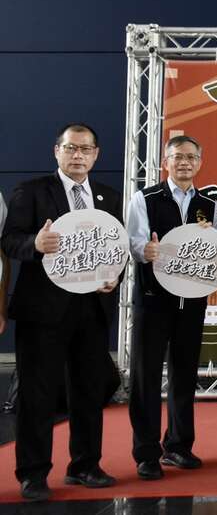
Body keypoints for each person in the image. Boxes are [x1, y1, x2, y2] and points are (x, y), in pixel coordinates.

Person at [1, 124, 121, 501]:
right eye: (71, 148)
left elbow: (114, 250)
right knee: (36, 394)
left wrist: (113, 277)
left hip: (92, 308)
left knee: (88, 391)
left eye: (85, 149)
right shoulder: (32, 191)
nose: (78, 155)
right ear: (57, 151)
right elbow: (9, 241)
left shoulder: (108, 196)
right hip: (43, 311)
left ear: (96, 154)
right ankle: (33, 473)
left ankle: (85, 465)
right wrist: (35, 244)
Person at [126, 135, 217, 480]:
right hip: (153, 300)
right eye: (178, 157)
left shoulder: (209, 205)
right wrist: (146, 251)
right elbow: (134, 241)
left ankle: (179, 446)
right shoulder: (146, 198)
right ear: (165, 162)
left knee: (184, 375)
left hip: (191, 303)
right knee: (146, 377)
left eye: (191, 157)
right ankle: (146, 453)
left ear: (200, 162)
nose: (184, 162)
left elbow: (216, 252)